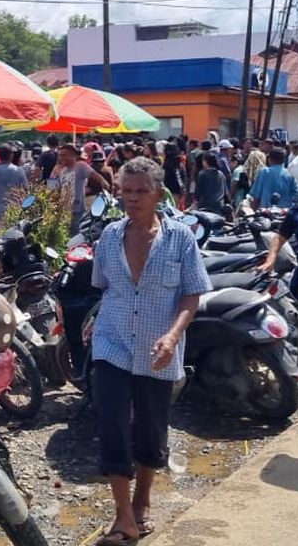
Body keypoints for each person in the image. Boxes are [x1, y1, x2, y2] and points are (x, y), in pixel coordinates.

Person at [91, 157, 211, 544]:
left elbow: (192, 294)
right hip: (111, 343)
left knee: (151, 427)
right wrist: (96, 321)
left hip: (160, 346)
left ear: (159, 193)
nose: (133, 198)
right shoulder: (109, 236)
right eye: (126, 191)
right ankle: (123, 516)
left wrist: (173, 336)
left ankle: (142, 502)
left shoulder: (180, 238)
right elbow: (104, 286)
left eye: (142, 191)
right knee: (111, 421)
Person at [55, 143, 111, 235]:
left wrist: (104, 183)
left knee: (76, 235)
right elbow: (60, 190)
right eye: (60, 155)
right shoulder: (62, 172)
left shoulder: (81, 166)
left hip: (78, 210)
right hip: (66, 211)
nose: (61, 158)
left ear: (73, 155)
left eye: (64, 155)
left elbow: (95, 175)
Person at [0, 144, 28, 240]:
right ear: (11, 155)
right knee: (13, 243)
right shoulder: (19, 171)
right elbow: (25, 191)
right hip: (14, 212)